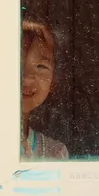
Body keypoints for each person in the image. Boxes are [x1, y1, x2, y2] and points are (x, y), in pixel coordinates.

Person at [21, 14, 69, 159]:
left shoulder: (55, 153)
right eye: (18, 63)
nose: (27, 79)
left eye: (41, 66)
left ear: (53, 80)